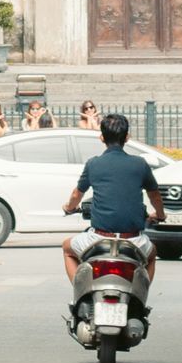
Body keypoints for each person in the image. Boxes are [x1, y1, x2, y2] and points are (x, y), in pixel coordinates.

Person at [62, 110, 166, 285]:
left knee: (67, 248)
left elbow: (76, 195)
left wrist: (69, 208)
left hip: (98, 239)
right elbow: (155, 196)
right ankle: (141, 295)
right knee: (152, 253)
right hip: (133, 240)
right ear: (127, 137)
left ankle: (80, 291)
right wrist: (160, 215)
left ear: (101, 138)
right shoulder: (140, 164)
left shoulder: (93, 163)